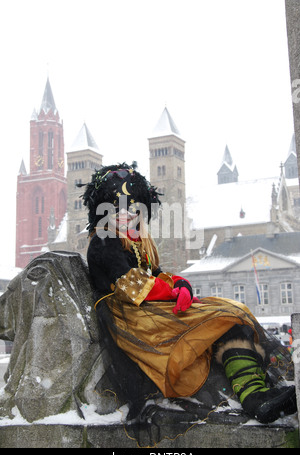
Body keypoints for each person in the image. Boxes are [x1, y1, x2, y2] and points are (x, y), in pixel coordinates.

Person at [80, 162, 297, 425]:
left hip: (148, 309)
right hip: (131, 318)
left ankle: (256, 396)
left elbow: (154, 273)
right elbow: (131, 285)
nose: (126, 214)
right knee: (224, 315)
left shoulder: (136, 239)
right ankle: (256, 399)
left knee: (231, 314)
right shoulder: (104, 240)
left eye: (132, 207)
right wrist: (172, 290)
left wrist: (180, 283)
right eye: (117, 208)